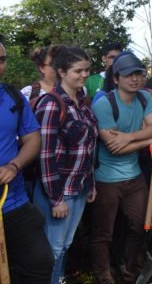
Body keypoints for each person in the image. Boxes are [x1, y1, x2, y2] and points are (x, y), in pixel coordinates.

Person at [90, 52, 152, 284]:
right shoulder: (104, 104)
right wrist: (147, 141)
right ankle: (104, 276)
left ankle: (131, 274)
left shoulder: (144, 98)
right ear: (116, 78)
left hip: (134, 177)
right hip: (106, 179)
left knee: (140, 226)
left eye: (138, 74)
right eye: (128, 75)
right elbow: (115, 148)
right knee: (104, 233)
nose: (135, 79)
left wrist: (131, 137)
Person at [33, 46, 99, 284]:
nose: (84, 75)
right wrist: (56, 198)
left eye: (87, 70)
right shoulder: (51, 104)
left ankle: (58, 279)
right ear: (61, 71)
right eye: (77, 71)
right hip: (59, 190)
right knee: (53, 247)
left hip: (79, 187)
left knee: (65, 245)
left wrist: (90, 184)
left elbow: (88, 149)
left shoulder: (82, 102)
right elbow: (46, 155)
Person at [0, 41, 54, 283]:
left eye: (2, 59)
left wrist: (14, 165)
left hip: (14, 202)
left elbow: (33, 139)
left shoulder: (13, 97)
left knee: (39, 262)